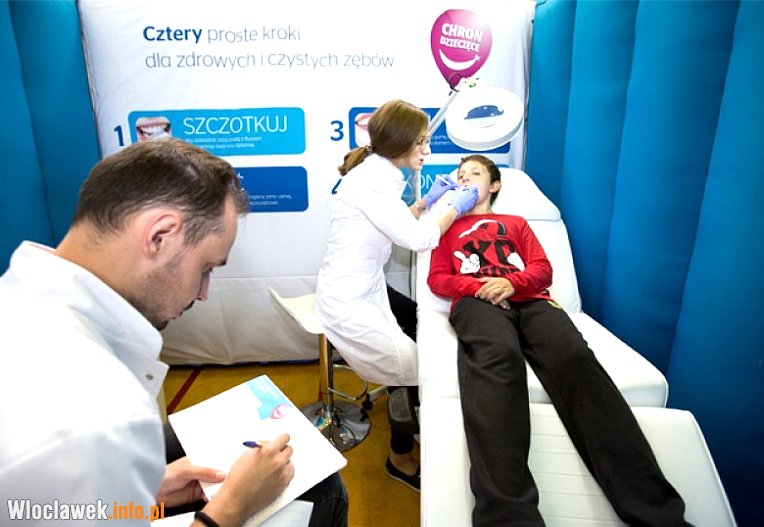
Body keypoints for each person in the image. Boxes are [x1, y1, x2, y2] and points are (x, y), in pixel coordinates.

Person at [0, 138, 348, 527]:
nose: (203, 294)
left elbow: (34, 510)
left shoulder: (19, 298)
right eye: (206, 268)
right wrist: (230, 507)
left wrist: (148, 492)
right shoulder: (103, 413)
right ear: (160, 236)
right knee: (325, 493)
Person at [427, 154, 691, 526]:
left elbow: (542, 269)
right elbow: (437, 279)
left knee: (575, 358)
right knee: (498, 356)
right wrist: (479, 286)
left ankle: (658, 513)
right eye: (461, 174)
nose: (466, 178)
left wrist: (511, 283)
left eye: (476, 173)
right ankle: (508, 517)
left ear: (494, 185)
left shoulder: (516, 223)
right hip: (477, 300)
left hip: (531, 299)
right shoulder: (447, 227)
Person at [315, 99, 478, 490]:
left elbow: (389, 223)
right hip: (348, 299)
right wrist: (454, 207)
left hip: (366, 285)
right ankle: (400, 458)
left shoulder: (381, 173)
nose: (428, 151)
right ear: (400, 142)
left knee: (421, 324)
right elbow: (418, 239)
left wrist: (425, 203)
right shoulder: (371, 181)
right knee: (409, 363)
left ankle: (416, 419)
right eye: (421, 142)